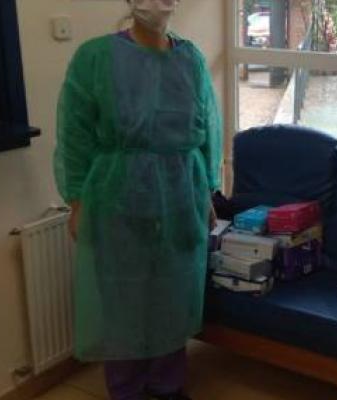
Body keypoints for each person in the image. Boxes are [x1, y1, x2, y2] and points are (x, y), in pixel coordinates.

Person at [53, 0, 222, 398]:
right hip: (118, 198)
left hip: (181, 196)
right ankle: (127, 389)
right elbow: (74, 135)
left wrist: (207, 194)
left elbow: (207, 131)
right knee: (124, 300)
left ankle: (167, 385)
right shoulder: (95, 59)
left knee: (172, 295)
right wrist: (77, 202)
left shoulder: (191, 60)